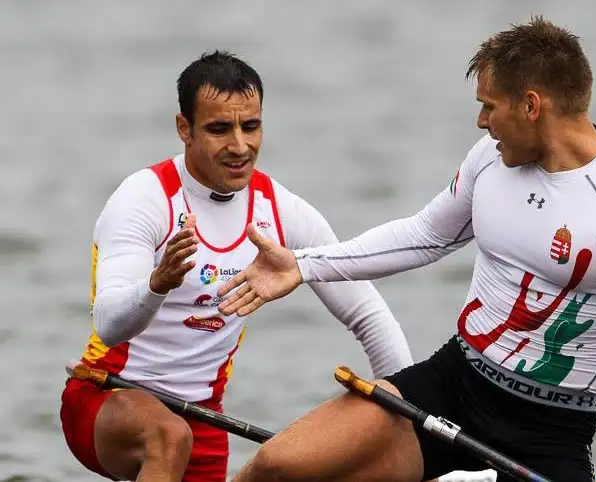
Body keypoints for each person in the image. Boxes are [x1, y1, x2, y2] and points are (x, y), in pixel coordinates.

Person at [216, 16, 596, 482]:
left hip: (551, 432)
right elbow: (425, 235)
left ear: (530, 105)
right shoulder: (490, 160)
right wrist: (302, 265)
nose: (481, 122)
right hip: (453, 386)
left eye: (489, 106)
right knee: (277, 466)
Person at [58, 51, 414, 482]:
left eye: (251, 126)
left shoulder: (281, 210)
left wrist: (411, 423)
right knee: (168, 437)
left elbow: (368, 316)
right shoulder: (144, 199)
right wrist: (157, 285)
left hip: (204, 420)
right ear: (183, 129)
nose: (240, 147)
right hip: (106, 395)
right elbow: (110, 323)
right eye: (219, 129)